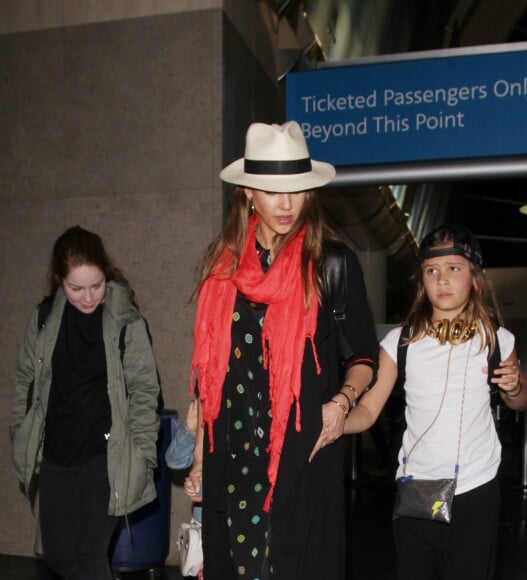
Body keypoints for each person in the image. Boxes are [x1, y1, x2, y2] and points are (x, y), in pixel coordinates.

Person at [187, 121, 378, 579]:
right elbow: (208, 380)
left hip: (301, 457)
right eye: (273, 191)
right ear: (249, 194)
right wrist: (198, 460)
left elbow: (365, 358)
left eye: (295, 189)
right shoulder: (221, 271)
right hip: (231, 456)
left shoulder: (332, 264)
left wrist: (341, 402)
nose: (286, 203)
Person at [344, 224, 527, 580]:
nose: (442, 280)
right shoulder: (400, 341)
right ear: (421, 281)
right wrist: (335, 419)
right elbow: (368, 410)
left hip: (475, 490)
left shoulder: (497, 339)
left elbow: (522, 400)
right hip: (417, 489)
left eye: (454, 269)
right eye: (432, 271)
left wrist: (514, 386)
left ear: (474, 278)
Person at [10, 226, 160, 580]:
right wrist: (20, 432)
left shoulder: (126, 320)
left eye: (96, 285)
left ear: (105, 274)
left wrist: (142, 454)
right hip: (57, 456)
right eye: (76, 288)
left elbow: (144, 391)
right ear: (59, 280)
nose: (89, 297)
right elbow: (25, 382)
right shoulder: (44, 318)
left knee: (92, 556)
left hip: (106, 456)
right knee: (61, 558)